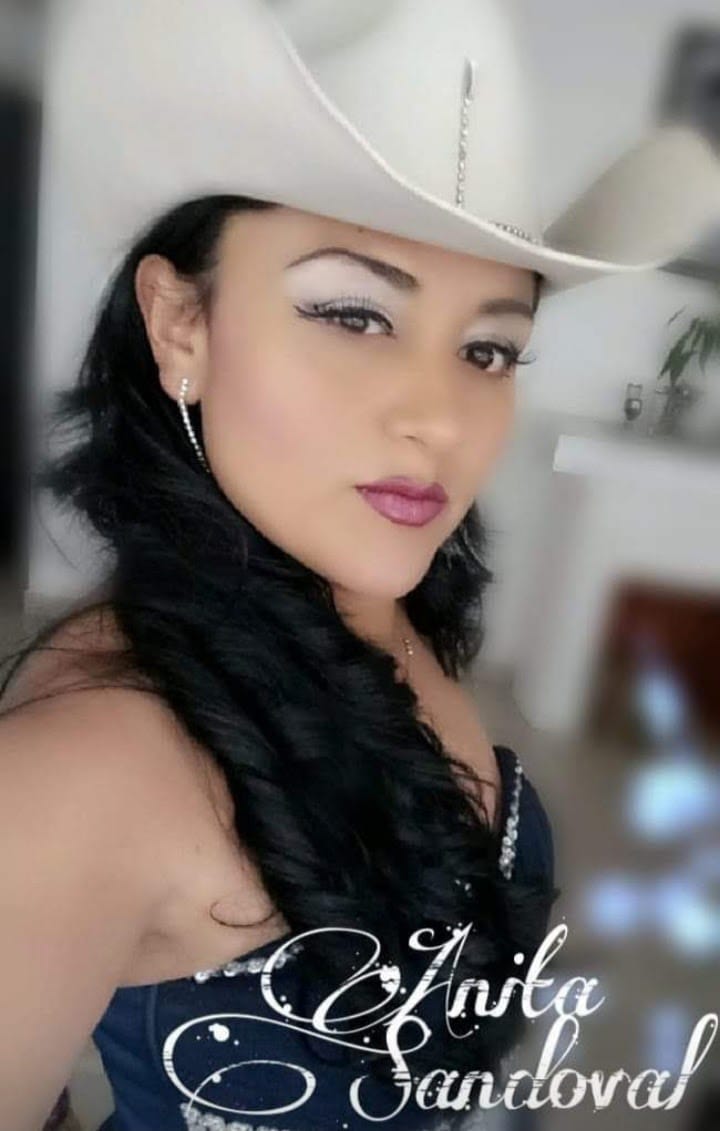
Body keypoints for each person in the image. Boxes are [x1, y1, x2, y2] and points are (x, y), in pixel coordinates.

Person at [2, 2, 718, 1130]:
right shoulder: (77, 778)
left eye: (489, 347)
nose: (441, 418)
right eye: (355, 314)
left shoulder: (386, 605)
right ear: (180, 323)